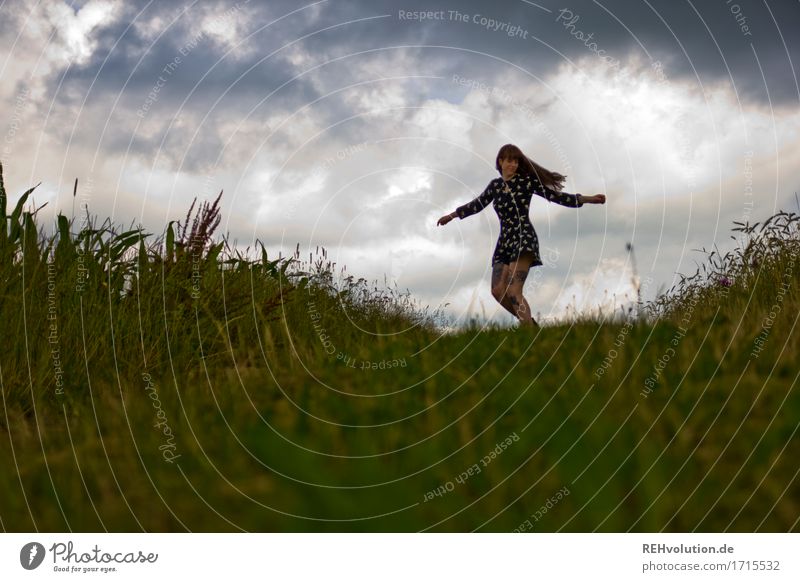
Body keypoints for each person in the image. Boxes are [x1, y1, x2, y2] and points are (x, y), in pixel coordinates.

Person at [437, 144, 606, 327]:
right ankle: (530, 325)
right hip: (504, 242)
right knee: (497, 291)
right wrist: (452, 216)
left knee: (513, 291)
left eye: (516, 161)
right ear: (501, 162)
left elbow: (556, 196)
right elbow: (477, 204)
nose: (513, 164)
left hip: (523, 237)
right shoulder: (495, 186)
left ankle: (529, 333)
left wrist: (588, 199)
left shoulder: (526, 182)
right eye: (510, 160)